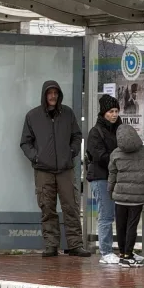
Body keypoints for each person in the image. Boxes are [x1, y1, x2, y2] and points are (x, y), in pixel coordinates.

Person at [20, 81, 90, 257]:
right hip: (43, 171)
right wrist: (36, 157)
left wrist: (71, 152)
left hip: (65, 170)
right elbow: (25, 142)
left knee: (71, 207)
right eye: (49, 93)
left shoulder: (67, 114)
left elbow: (77, 135)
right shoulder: (33, 116)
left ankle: (75, 244)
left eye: (55, 93)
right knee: (47, 208)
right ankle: (51, 245)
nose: (53, 96)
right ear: (44, 95)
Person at [107, 125, 144, 268]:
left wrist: (110, 192)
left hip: (120, 197)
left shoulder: (116, 153)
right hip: (138, 198)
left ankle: (122, 253)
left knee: (120, 226)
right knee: (131, 226)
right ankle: (128, 255)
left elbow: (112, 175)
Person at [86, 95, 123, 264]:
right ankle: (106, 251)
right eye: (111, 111)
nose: (114, 114)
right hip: (101, 177)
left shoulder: (120, 130)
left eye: (116, 111)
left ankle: (124, 251)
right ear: (103, 113)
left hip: (117, 177)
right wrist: (119, 161)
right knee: (106, 215)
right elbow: (99, 156)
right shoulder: (96, 132)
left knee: (118, 215)